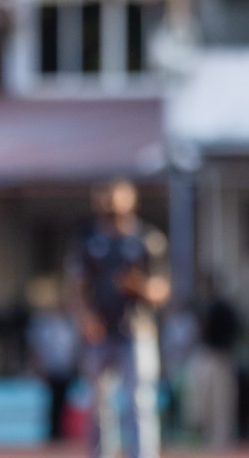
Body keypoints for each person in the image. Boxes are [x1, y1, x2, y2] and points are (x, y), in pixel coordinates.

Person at [67, 179, 169, 458]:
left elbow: (163, 289)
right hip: (99, 334)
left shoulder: (147, 239)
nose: (110, 203)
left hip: (136, 332)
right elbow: (76, 288)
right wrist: (85, 318)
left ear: (131, 200)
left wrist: (142, 288)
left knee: (139, 402)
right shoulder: (88, 240)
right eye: (105, 197)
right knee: (98, 405)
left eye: (116, 197)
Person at [184, 272, 241, 450]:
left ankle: (221, 437)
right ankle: (201, 434)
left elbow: (235, 330)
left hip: (221, 355)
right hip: (205, 355)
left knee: (221, 400)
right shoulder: (200, 306)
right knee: (201, 399)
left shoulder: (224, 307)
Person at [25, 277, 79, 441]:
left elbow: (74, 345)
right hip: (50, 367)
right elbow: (35, 345)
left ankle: (61, 431)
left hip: (65, 367)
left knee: (64, 401)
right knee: (52, 401)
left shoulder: (69, 321)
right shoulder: (41, 322)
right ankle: (53, 433)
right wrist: (38, 365)